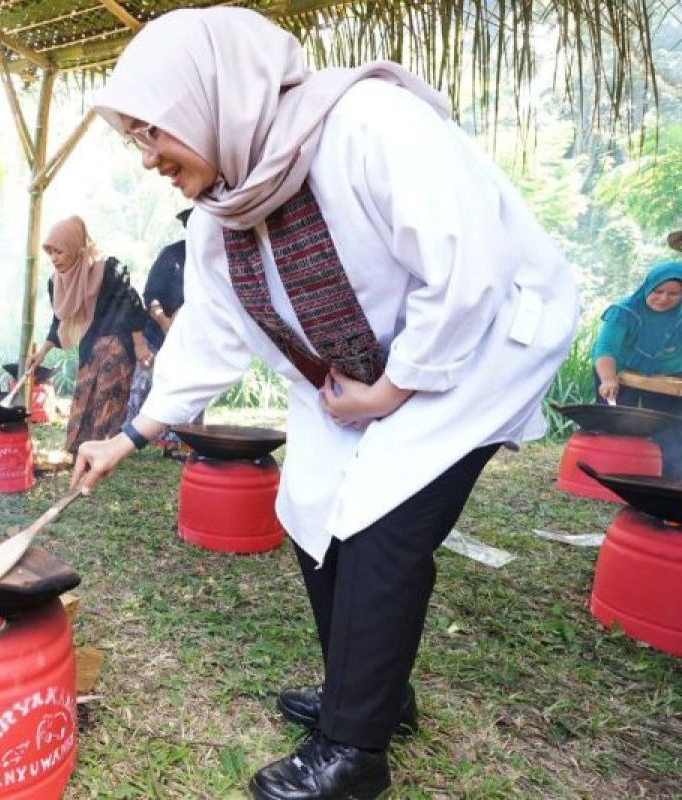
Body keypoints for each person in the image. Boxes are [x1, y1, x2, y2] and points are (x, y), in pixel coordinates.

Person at [73, 9, 577, 799]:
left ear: (207, 98)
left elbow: (468, 264)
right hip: (350, 377)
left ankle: (354, 753)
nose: (147, 159)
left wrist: (394, 388)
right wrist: (128, 437)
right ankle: (372, 692)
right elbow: (209, 335)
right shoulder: (222, 213)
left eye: (152, 133)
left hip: (472, 349)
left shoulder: (369, 124)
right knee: (312, 507)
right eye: (135, 140)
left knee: (378, 524)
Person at [29, 216, 149, 454]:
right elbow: (59, 319)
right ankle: (80, 450)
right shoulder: (57, 282)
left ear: (76, 248)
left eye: (59, 252)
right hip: (90, 345)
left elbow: (132, 303)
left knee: (107, 398)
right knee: (83, 396)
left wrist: (139, 346)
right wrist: (41, 353)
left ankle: (104, 452)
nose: (54, 258)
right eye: (50, 252)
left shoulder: (108, 269)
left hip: (118, 343)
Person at [592, 260, 682, 477]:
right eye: (658, 291)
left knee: (670, 426)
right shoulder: (624, 310)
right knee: (615, 423)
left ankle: (670, 478)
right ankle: (606, 474)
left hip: (668, 374)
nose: (663, 299)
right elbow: (605, 348)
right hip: (618, 371)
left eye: (673, 294)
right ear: (647, 286)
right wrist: (608, 380)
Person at [123, 207, 201, 458]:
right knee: (145, 385)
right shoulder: (172, 255)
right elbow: (150, 295)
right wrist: (166, 323)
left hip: (195, 339)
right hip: (159, 334)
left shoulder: (216, 256)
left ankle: (182, 442)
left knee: (191, 387)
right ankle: (132, 438)